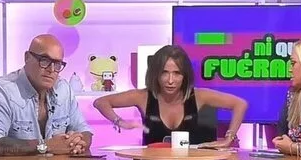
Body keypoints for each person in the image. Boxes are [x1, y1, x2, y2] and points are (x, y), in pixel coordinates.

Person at [92, 45, 248, 148]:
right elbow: (101, 102)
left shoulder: (200, 96)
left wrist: (228, 138)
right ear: (156, 74)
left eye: (177, 73)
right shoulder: (142, 96)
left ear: (185, 75)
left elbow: (240, 104)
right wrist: (120, 122)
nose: (170, 80)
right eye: (164, 73)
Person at [0, 34, 92, 156]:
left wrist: (78, 142)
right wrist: (46, 146)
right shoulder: (2, 92)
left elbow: (85, 131)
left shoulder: (64, 89)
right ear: (27, 57)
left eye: (57, 64)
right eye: (44, 60)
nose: (51, 70)